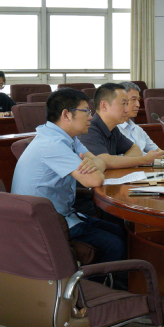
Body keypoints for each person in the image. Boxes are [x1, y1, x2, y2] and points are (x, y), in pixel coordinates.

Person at [11, 88, 124, 264]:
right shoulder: (52, 144)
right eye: (86, 111)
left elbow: (99, 160)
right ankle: (96, 280)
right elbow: (94, 179)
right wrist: (97, 165)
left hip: (63, 214)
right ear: (66, 115)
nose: (90, 117)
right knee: (115, 245)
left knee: (119, 230)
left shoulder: (67, 137)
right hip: (44, 224)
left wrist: (96, 163)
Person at [79, 83, 164, 168]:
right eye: (123, 104)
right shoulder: (88, 129)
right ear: (104, 106)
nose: (126, 110)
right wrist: (144, 160)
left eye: (127, 104)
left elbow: (135, 150)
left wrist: (120, 162)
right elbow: (103, 161)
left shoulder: (113, 129)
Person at [117, 81, 162, 153]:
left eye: (138, 100)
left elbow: (157, 151)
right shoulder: (113, 130)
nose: (138, 104)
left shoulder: (138, 129)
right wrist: (147, 158)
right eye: (133, 99)